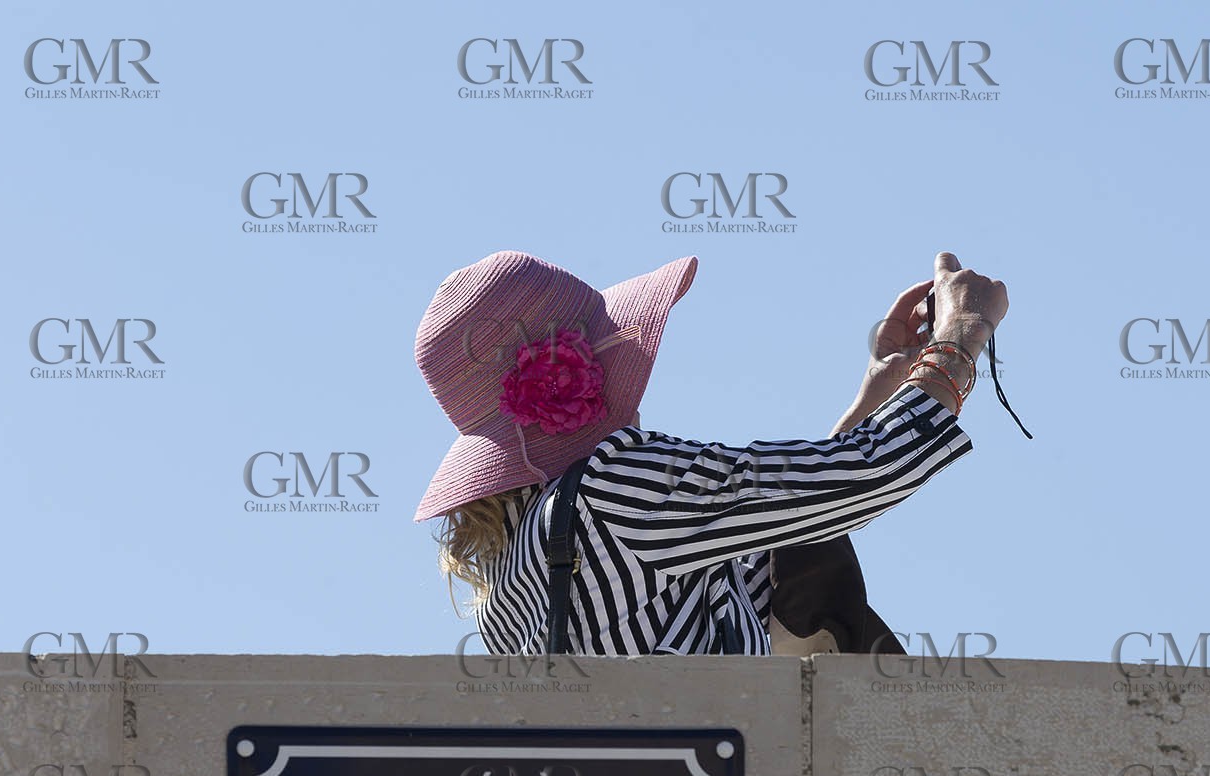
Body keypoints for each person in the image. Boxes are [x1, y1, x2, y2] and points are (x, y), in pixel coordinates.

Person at [412, 250, 1009, 655]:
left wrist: (873, 398)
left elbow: (786, 527)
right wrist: (960, 337)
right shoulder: (613, 486)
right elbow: (867, 472)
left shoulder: (511, 585)